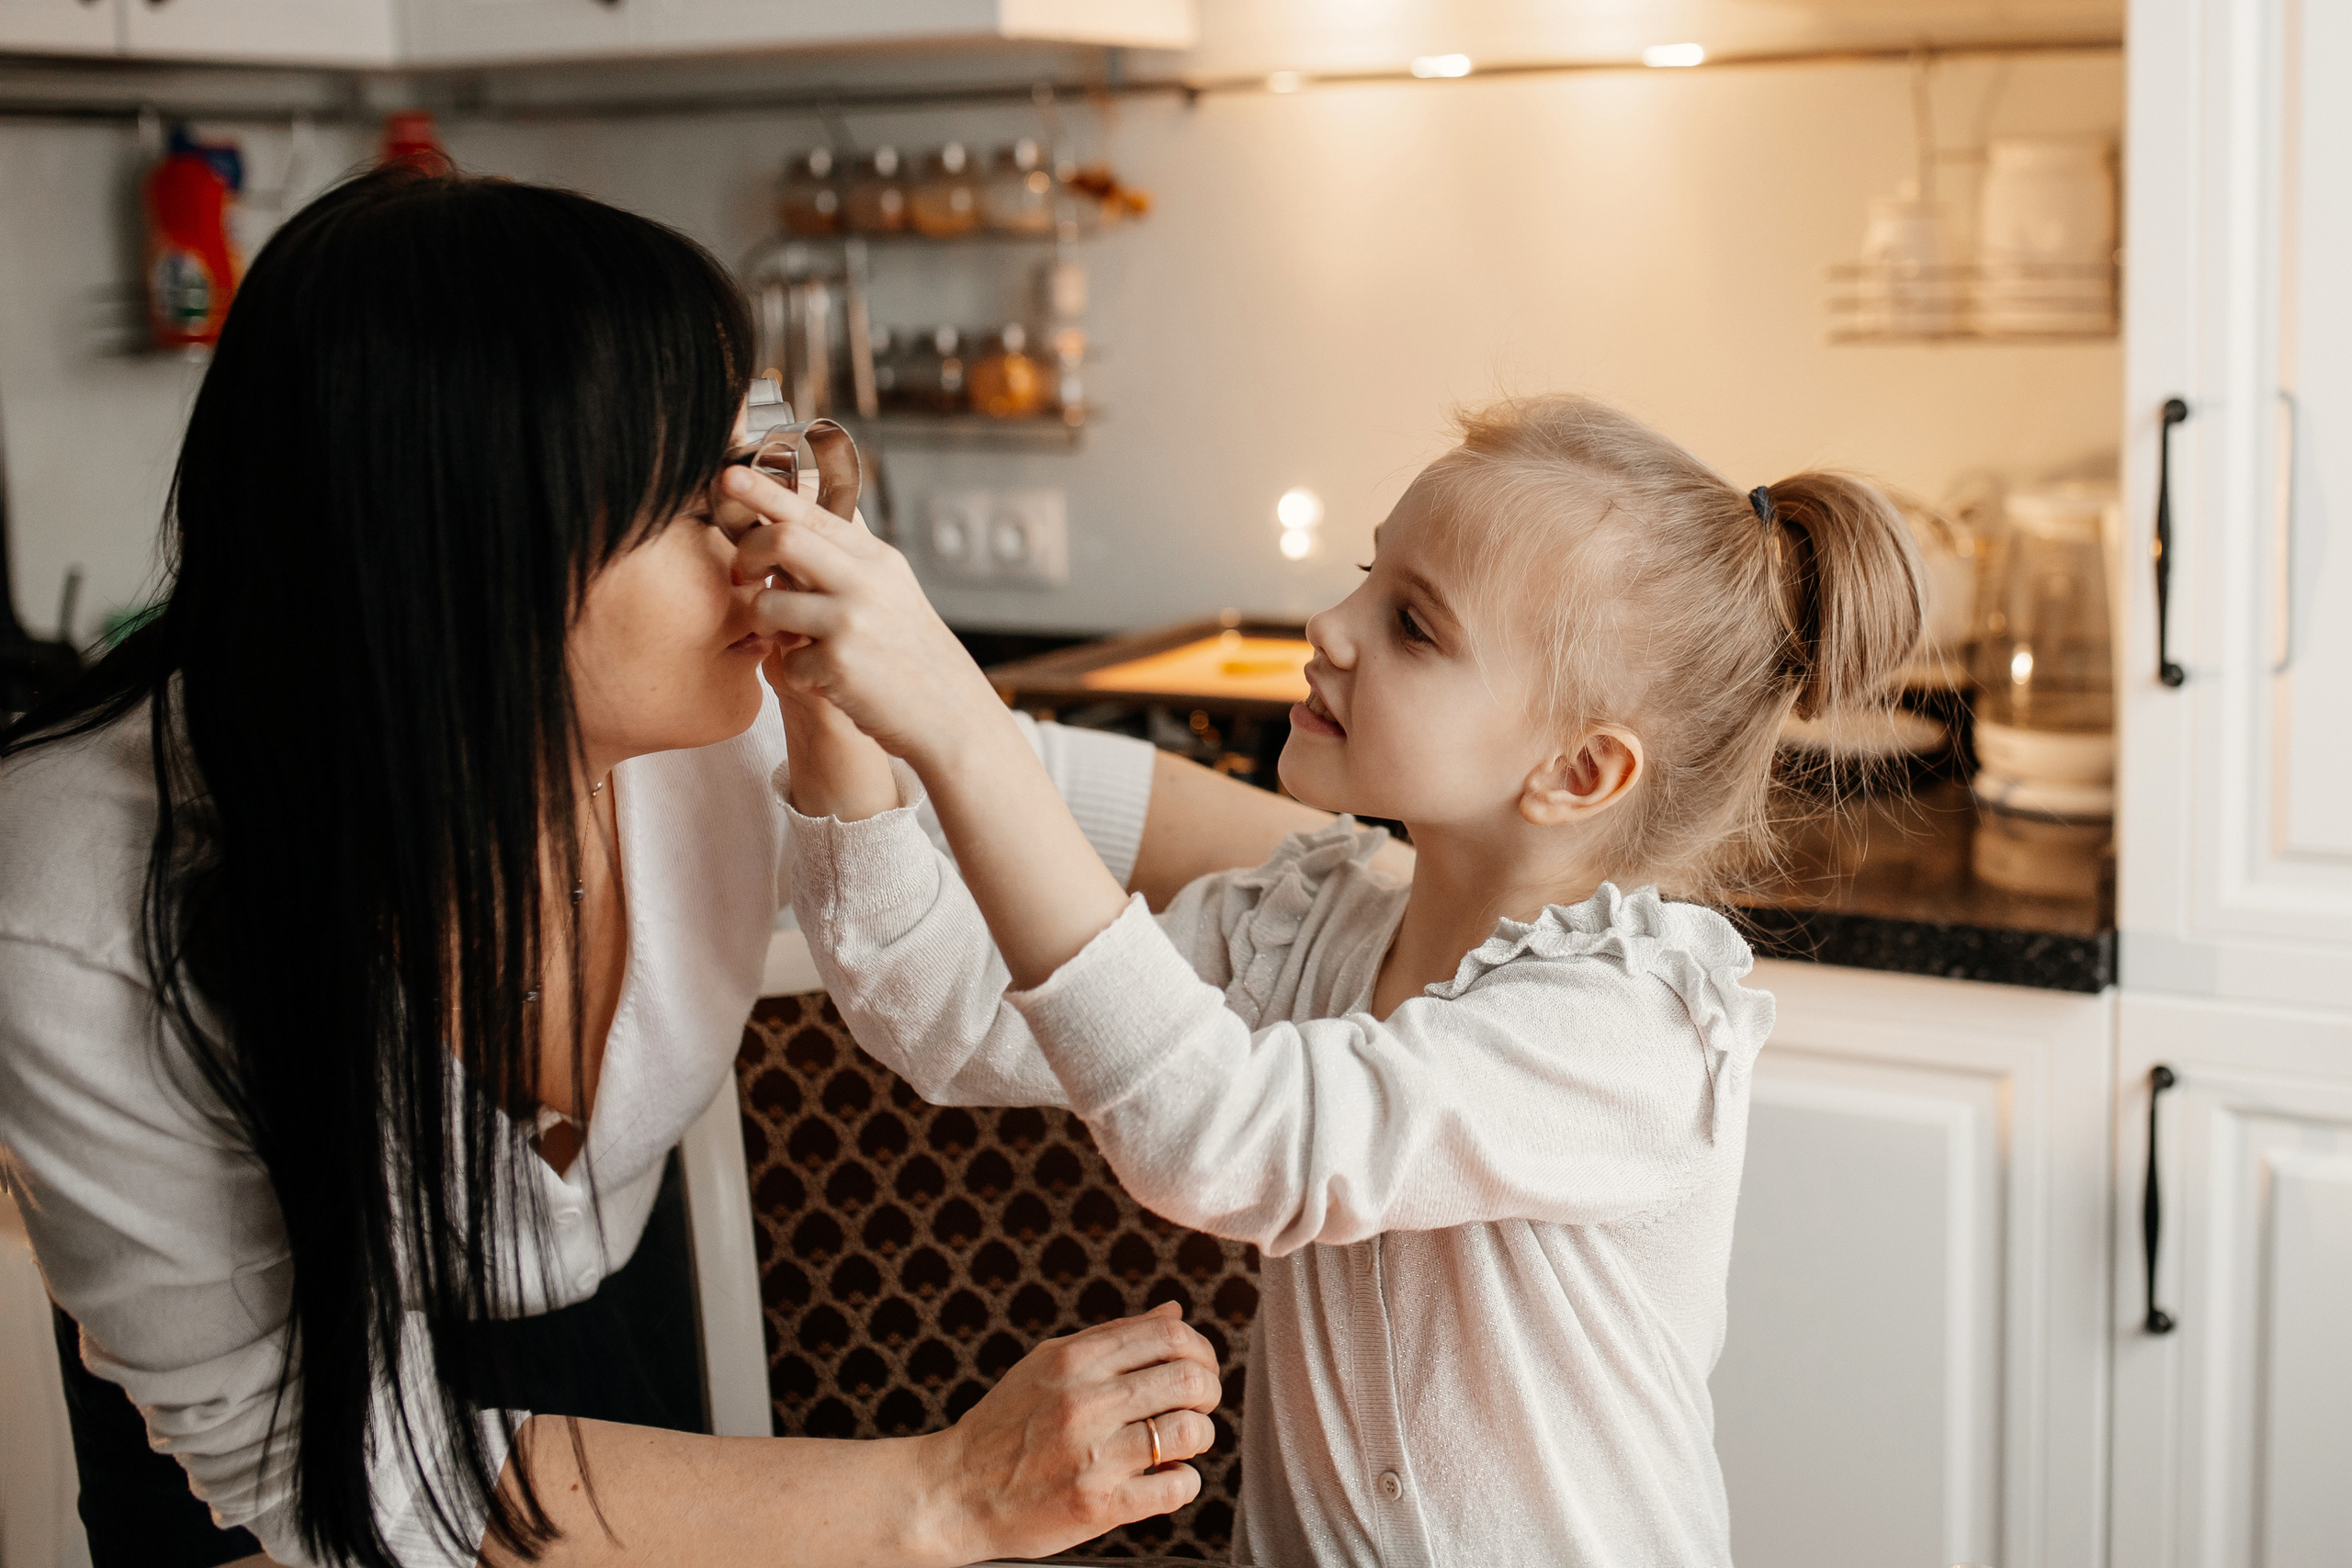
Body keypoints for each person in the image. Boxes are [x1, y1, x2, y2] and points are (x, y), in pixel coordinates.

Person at [0, 165, 1370, 1568]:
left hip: (610, 1344)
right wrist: (948, 1492)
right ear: (475, 557)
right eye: (692, 498)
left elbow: (1093, 810)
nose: (775, 538)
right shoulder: (75, 899)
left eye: (764, 465)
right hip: (287, 1471)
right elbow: (327, 1471)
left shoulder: (720, 711)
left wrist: (1481, 914)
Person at [727, 394, 1926, 1566]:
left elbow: (1226, 1134)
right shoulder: (1311, 924)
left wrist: (959, 722)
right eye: (1367, 574)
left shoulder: (1630, 1027)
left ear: (1578, 770)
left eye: (1414, 624)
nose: (1331, 625)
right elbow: (949, 1023)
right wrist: (824, 713)